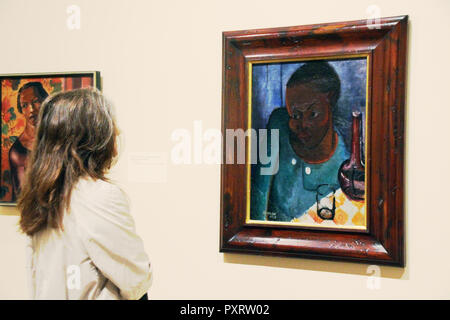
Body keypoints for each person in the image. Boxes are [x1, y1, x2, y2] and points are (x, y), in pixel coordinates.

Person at [18, 88, 152, 300]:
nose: (115, 133)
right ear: (94, 137)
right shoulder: (98, 195)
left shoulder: (40, 195)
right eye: (110, 127)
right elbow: (136, 279)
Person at [251, 61, 350, 222]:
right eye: (295, 115)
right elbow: (258, 197)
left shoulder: (344, 166)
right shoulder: (278, 125)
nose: (303, 125)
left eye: (312, 114)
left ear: (330, 100)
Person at [9, 82, 48, 201]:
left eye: (35, 101)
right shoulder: (18, 151)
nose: (31, 109)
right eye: (25, 105)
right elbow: (23, 199)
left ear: (45, 102)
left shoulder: (57, 138)